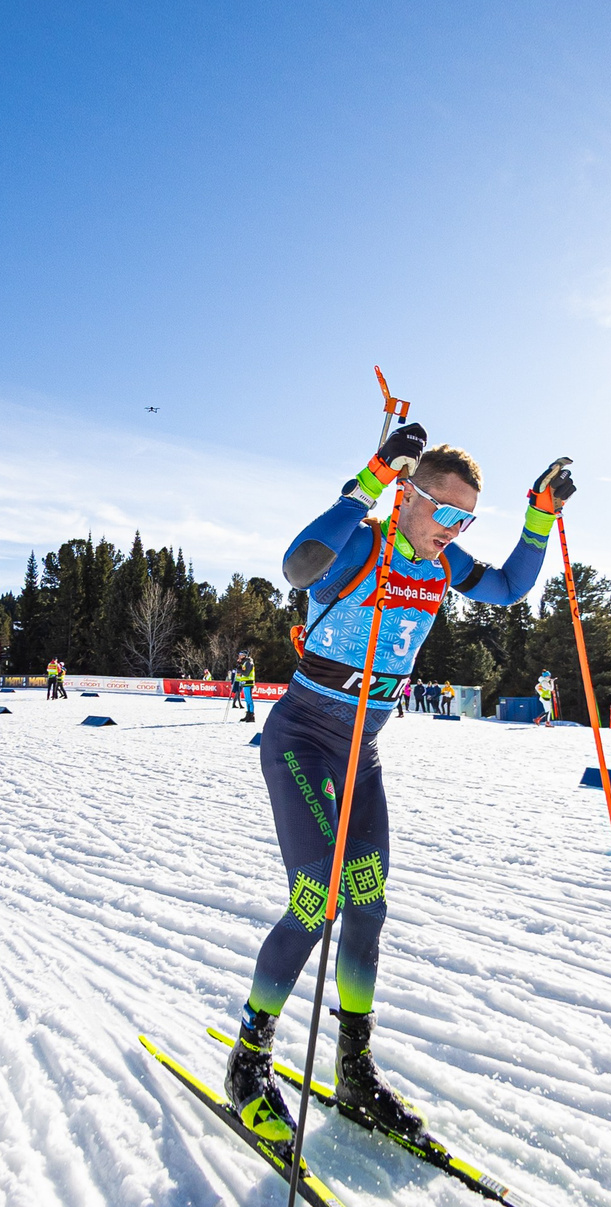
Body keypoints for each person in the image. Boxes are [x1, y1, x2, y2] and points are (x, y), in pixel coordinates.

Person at [226, 422, 574, 1143]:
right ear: (410, 494)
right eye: (444, 511)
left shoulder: (442, 567)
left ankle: (354, 1066)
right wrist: (373, 476)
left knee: (369, 902)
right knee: (315, 896)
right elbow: (297, 564)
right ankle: (249, 1059)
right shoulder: (362, 542)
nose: (453, 530)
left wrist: (540, 514)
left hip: (364, 749)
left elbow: (509, 584)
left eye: (466, 518)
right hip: (304, 738)